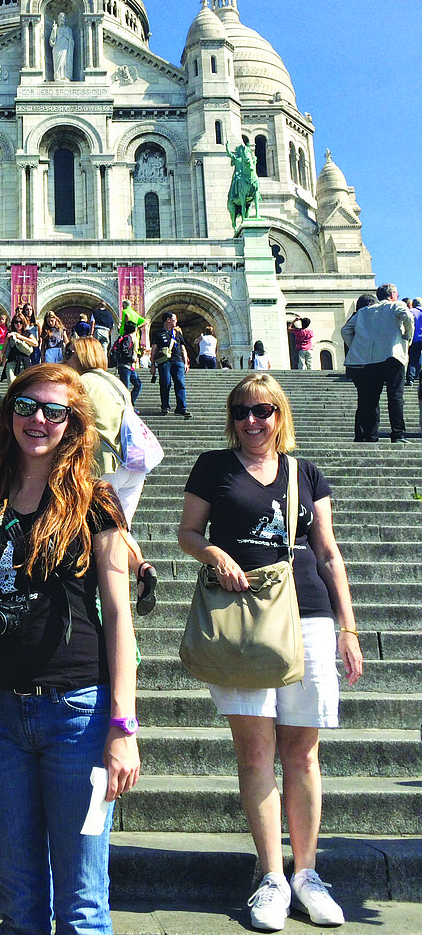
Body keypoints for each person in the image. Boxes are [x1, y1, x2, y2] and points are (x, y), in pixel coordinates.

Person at [0, 364, 141, 935]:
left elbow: (119, 618)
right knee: (20, 898)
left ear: (73, 424)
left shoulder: (97, 501)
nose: (39, 420)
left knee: (83, 902)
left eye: (55, 411)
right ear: (8, 414)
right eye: (27, 407)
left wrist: (123, 726)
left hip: (79, 713)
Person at [177, 373, 363, 931]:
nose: (251, 421)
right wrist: (214, 555)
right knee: (255, 752)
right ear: (231, 418)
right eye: (241, 412)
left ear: (280, 414)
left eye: (262, 410)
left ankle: (307, 874)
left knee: (302, 752)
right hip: (241, 617)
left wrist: (348, 628)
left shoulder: (305, 472)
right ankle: (272, 876)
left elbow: (328, 553)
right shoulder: (214, 466)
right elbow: (187, 532)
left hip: (306, 611)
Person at [64, 336, 161, 551]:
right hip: (132, 466)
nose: (65, 360)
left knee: (96, 531)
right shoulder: (115, 381)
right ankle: (140, 569)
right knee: (120, 530)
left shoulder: (82, 383)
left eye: (69, 354)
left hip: (103, 464)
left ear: (82, 356)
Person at [341, 282, 414, 443]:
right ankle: (397, 434)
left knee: (371, 399)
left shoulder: (363, 312)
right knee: (395, 396)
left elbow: (345, 330)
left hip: (370, 360)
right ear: (393, 295)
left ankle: (370, 435)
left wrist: (356, 345)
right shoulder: (396, 306)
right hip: (392, 356)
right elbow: (408, 316)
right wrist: (407, 336)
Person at [150, 312, 192, 418]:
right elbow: (154, 349)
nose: (176, 321)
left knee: (180, 383)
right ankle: (165, 406)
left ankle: (181, 408)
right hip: (164, 361)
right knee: (165, 382)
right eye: (174, 319)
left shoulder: (177, 333)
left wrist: (186, 362)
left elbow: (183, 348)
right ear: (168, 320)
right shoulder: (158, 333)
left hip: (178, 361)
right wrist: (153, 364)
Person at [111, 320, 142, 404]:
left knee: (138, 384)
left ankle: (130, 404)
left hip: (128, 366)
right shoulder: (128, 338)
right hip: (125, 365)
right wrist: (133, 358)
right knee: (125, 387)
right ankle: (126, 406)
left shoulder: (126, 337)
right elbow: (124, 351)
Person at [2, 314, 37, 383]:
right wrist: (7, 339)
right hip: (12, 361)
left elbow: (35, 343)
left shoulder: (27, 333)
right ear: (13, 323)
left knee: (23, 384)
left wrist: (19, 337)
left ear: (23, 323)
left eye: (20, 322)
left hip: (24, 362)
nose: (18, 324)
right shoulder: (9, 333)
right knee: (11, 382)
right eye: (16, 322)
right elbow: (4, 350)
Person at [49, 11, 74, 81]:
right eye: (60, 18)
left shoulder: (68, 30)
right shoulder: (56, 29)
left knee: (66, 61)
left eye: (63, 18)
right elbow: (52, 40)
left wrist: (67, 37)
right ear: (58, 20)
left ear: (65, 20)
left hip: (66, 49)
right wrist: (54, 31)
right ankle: (58, 76)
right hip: (57, 48)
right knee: (58, 63)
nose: (61, 19)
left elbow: (72, 41)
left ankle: (66, 76)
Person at [405, 298, 422, 384]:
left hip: (415, 339)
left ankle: (410, 378)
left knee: (413, 358)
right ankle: (418, 375)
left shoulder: (411, 312)